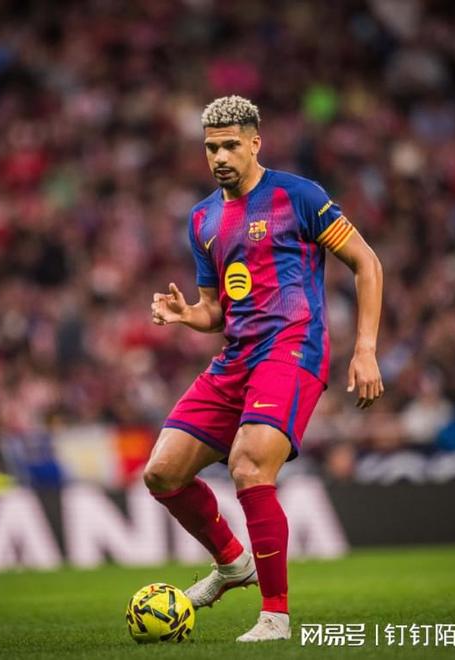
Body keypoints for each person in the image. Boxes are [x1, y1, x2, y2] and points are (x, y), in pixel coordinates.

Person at [145, 96, 384, 642]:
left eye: (231, 145)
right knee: (162, 472)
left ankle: (275, 616)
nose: (220, 157)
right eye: (212, 148)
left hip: (293, 348)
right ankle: (233, 564)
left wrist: (366, 348)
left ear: (256, 143)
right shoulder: (202, 218)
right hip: (236, 356)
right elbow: (216, 310)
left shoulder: (298, 196)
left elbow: (367, 263)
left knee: (250, 465)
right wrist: (187, 315)